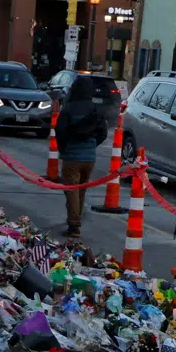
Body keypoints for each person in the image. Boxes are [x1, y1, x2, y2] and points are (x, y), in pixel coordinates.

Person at [54, 75, 109, 238]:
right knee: (81, 190)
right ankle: (74, 218)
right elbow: (103, 133)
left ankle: (74, 225)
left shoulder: (69, 108)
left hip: (71, 156)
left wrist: (63, 148)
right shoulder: (95, 109)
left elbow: (60, 131)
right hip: (89, 157)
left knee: (71, 191)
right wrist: (92, 145)